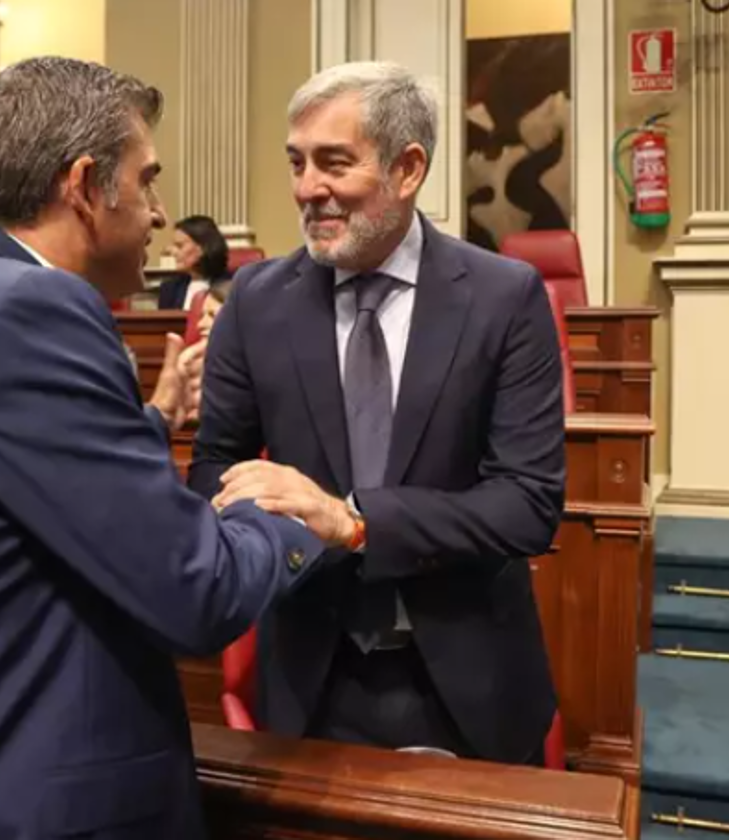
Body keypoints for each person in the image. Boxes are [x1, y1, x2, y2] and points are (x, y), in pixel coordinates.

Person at [0, 57, 345, 840]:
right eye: (147, 181)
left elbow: (23, 494)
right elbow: (197, 591)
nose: (161, 213)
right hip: (11, 807)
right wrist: (310, 520)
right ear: (85, 186)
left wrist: (152, 423)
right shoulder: (35, 310)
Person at [191, 61, 565, 767]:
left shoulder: (503, 299)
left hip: (467, 680)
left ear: (408, 168)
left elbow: (528, 503)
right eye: (297, 163)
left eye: (335, 163)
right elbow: (216, 468)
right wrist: (283, 533)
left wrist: (357, 522)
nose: (308, 189)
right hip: (307, 678)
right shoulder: (256, 301)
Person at [157, 214, 230, 309]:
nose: (173, 252)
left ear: (203, 248)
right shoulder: (169, 289)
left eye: (179, 246)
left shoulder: (232, 286)